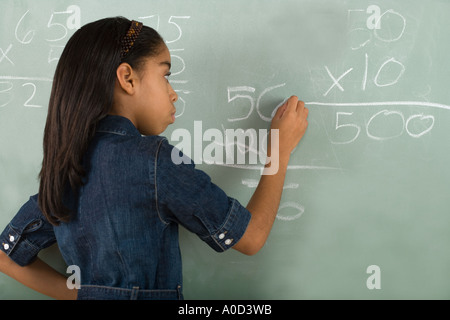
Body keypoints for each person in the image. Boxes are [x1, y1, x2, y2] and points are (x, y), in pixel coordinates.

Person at [0, 17, 308, 300]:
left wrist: (89, 295)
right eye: (165, 74)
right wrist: (279, 149)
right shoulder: (156, 162)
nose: (173, 93)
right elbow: (250, 238)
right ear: (127, 78)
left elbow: (5, 255)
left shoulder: (66, 169)